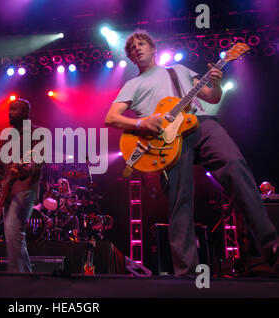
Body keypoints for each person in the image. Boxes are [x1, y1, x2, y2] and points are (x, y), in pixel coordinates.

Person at [105, 30, 278, 276]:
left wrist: (216, 82)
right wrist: (142, 124)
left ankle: (271, 247)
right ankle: (187, 275)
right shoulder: (132, 84)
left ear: (154, 49)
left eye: (141, 43)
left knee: (235, 166)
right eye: (132, 48)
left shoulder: (180, 70)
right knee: (180, 201)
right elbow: (111, 117)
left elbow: (212, 96)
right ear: (131, 58)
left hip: (199, 123)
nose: (137, 48)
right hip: (165, 141)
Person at [0, 99, 43, 272]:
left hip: (25, 191)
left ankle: (16, 281)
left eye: (14, 109)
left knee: (13, 233)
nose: (10, 113)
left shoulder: (37, 134)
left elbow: (36, 164)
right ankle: (28, 282)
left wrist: (24, 169)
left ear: (25, 112)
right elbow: (0, 166)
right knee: (15, 238)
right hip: (7, 193)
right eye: (9, 110)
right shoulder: (9, 137)